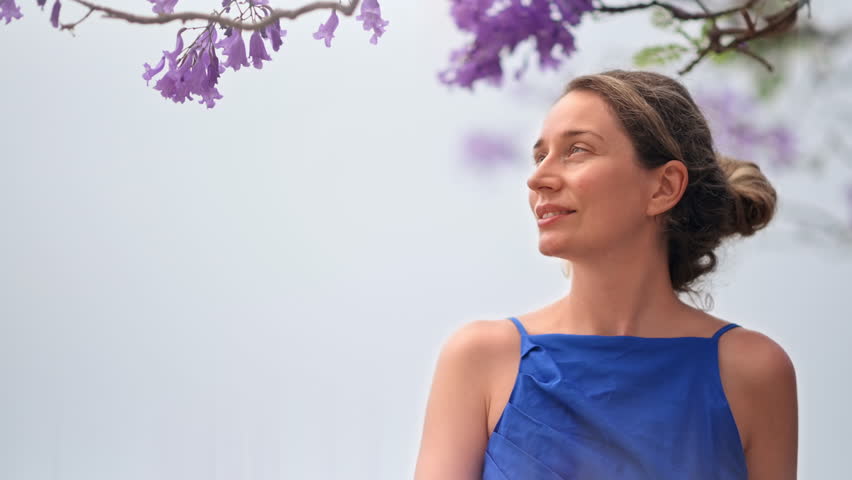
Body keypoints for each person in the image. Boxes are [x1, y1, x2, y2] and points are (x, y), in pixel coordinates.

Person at [413, 70, 798, 480]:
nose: (538, 177)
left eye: (577, 150)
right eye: (539, 155)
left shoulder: (755, 372)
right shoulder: (479, 359)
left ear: (663, 187)